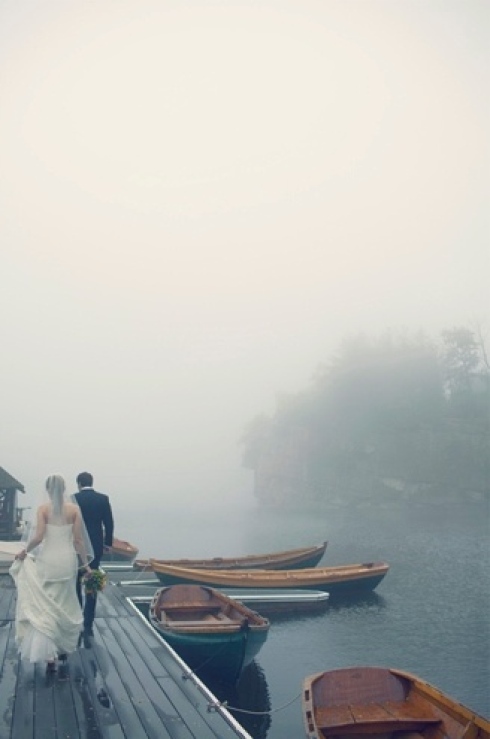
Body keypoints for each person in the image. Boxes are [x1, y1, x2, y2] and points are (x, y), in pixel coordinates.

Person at [9, 474, 92, 672]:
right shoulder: (74, 510)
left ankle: (49, 655)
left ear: (47, 490)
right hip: (66, 561)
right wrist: (87, 566)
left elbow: (38, 537)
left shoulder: (43, 509)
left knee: (47, 603)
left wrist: (24, 552)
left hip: (48, 559)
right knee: (65, 601)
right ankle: (62, 647)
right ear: (64, 489)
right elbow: (78, 541)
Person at [73, 471, 114, 637]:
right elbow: (109, 523)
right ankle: (88, 620)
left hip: (76, 546)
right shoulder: (102, 499)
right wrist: (107, 543)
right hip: (96, 545)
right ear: (92, 482)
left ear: (79, 483)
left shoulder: (73, 498)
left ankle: (76, 614)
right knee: (92, 580)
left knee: (76, 580)